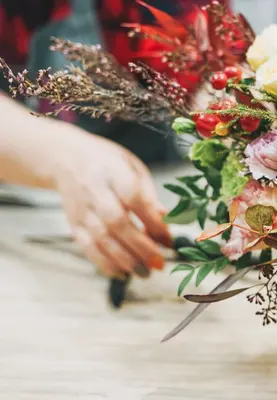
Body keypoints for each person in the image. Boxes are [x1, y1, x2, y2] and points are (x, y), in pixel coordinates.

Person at [0, 0, 217, 277]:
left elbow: (205, 59)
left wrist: (237, 104)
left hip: (157, 184)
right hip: (17, 213)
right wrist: (64, 156)